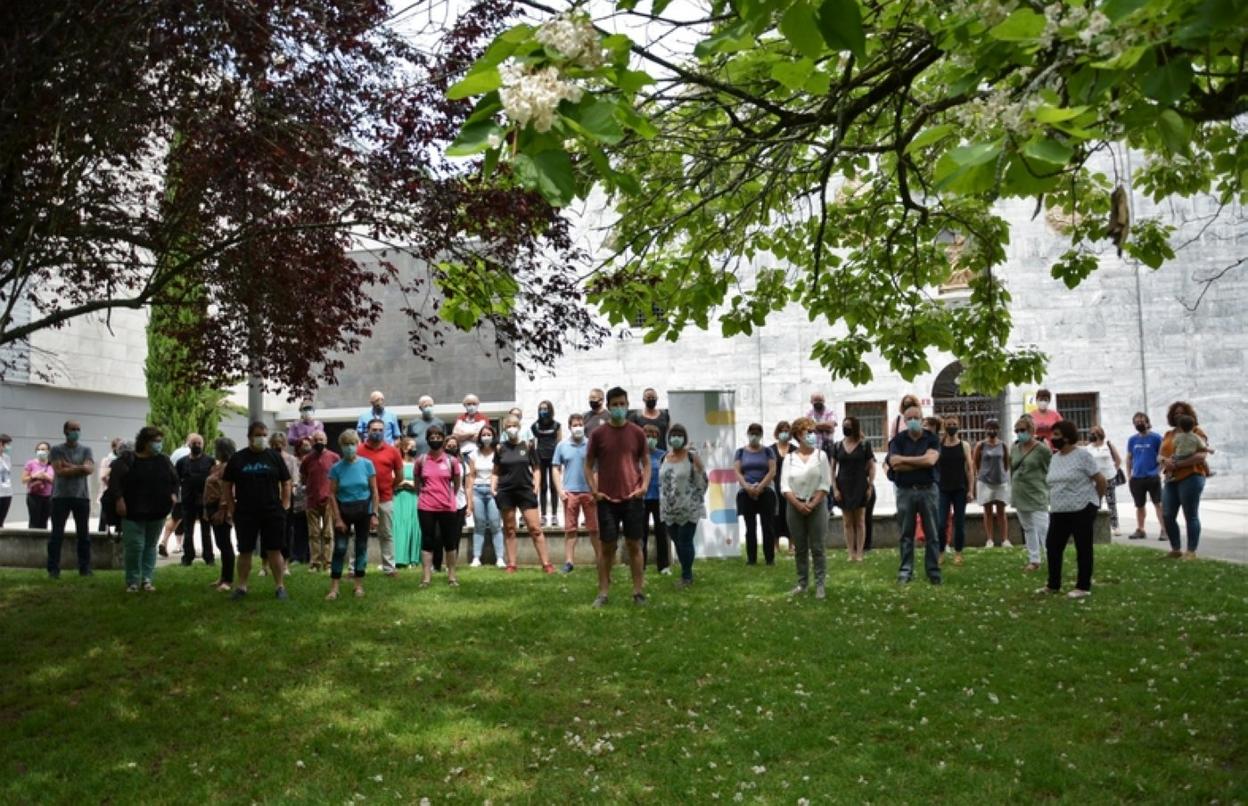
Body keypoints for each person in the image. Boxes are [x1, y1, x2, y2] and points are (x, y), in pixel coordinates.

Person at [585, 386, 650, 607]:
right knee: (607, 547)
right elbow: (588, 465)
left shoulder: (637, 433)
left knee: (634, 545)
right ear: (608, 406)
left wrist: (644, 487)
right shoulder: (598, 434)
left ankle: (638, 592)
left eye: (622, 404)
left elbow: (646, 463)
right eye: (615, 405)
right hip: (606, 500)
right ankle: (603, 593)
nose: (619, 408)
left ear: (628, 405)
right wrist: (594, 490)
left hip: (633, 498)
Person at [222, 421, 292, 601]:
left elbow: (286, 482)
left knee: (274, 549)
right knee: (245, 550)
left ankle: (280, 586)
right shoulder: (238, 458)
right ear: (249, 437)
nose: (261, 438)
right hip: (245, 512)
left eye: (264, 435)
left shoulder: (274, 457)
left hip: (272, 511)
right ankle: (241, 586)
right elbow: (227, 484)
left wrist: (285, 505)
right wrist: (231, 507)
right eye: (258, 435)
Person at [1036, 420, 1106, 599]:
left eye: (1056, 435)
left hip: (1081, 508)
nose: (1052, 438)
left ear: (1067, 437)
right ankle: (1053, 584)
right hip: (1059, 510)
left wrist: (1095, 503)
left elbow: (1100, 480)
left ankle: (1083, 586)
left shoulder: (1083, 456)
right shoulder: (1055, 458)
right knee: (1053, 546)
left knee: (1083, 548)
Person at [109, 426, 178, 593]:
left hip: (157, 510)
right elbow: (115, 482)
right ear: (145, 442)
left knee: (150, 546)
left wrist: (173, 494)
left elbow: (174, 480)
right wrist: (119, 500)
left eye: (160, 441)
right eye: (155, 441)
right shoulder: (127, 460)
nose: (159, 444)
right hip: (132, 510)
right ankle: (132, 580)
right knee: (135, 546)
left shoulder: (164, 460)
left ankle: (147, 578)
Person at [885, 406, 942, 585]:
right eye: (909, 418)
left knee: (932, 534)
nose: (913, 421)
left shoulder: (932, 438)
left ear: (922, 419)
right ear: (904, 420)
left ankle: (933, 572)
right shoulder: (898, 440)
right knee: (906, 534)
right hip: (905, 491)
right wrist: (920, 461)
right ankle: (905, 572)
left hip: (928, 490)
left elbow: (931, 460)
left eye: (916, 417)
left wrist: (905, 460)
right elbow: (895, 464)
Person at [495, 415, 555, 574]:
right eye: (508, 426)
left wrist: (536, 486)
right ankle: (512, 564)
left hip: (526, 491)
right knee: (509, 529)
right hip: (506, 492)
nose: (511, 428)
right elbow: (496, 471)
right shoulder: (500, 448)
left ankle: (546, 563)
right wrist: (493, 488)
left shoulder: (528, 446)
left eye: (514, 425)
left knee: (535, 528)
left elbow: (536, 468)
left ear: (519, 427)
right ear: (504, 429)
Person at [781, 417, 832, 597]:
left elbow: (825, 483)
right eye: (808, 432)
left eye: (813, 432)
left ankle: (820, 584)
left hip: (816, 505)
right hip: (795, 506)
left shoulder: (821, 456)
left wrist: (812, 503)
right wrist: (798, 504)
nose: (812, 435)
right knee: (800, 548)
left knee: (818, 547)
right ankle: (802, 584)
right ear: (798, 435)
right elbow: (784, 486)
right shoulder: (789, 458)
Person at [326, 430, 379, 600]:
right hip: (343, 511)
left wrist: (374, 514)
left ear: (357, 445)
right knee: (340, 548)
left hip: (364, 511)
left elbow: (374, 491)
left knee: (361, 548)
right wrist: (337, 518)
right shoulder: (336, 468)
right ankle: (334, 588)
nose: (349, 448)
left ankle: (358, 585)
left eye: (352, 444)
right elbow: (331, 494)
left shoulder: (367, 464)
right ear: (341, 446)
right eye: (346, 444)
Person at [1159, 402, 1211, 560]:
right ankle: (1176, 549)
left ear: (1189, 415)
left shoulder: (1196, 431)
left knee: (1190, 514)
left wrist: (1177, 464)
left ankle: (1191, 551)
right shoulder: (1169, 434)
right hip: (1170, 479)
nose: (1178, 415)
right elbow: (1160, 455)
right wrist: (1165, 461)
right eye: (1175, 413)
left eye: (1181, 412)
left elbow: (1201, 455)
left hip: (1191, 476)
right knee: (1167, 514)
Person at [659, 423, 708, 588]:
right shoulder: (664, 457)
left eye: (679, 435)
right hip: (669, 509)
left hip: (688, 508)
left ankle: (687, 576)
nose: (676, 438)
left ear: (684, 438)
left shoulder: (692, 457)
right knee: (677, 541)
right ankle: (685, 572)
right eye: (673, 435)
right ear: (669, 438)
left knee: (685, 541)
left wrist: (696, 500)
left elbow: (702, 479)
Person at [415, 425, 462, 587]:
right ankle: (426, 578)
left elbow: (457, 483)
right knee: (427, 542)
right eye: (432, 437)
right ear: (427, 440)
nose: (435, 440)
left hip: (447, 507)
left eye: (438, 437)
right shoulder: (421, 460)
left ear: (443, 439)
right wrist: (423, 496)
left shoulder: (451, 461)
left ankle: (452, 577)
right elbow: (417, 483)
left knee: (450, 542)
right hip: (426, 507)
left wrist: (449, 497)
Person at [48, 419, 95, 578]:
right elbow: (60, 471)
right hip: (60, 497)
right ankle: (53, 569)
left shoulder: (86, 450)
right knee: (56, 534)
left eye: (78, 429)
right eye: (73, 429)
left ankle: (85, 568)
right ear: (65, 431)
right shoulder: (56, 450)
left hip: (81, 497)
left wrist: (70, 466)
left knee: (84, 535)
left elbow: (89, 469)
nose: (76, 432)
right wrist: (80, 468)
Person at [358, 417, 404, 576]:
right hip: (362, 499)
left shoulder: (392, 451)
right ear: (367, 431)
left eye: (380, 430)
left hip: (385, 498)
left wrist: (389, 487)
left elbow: (399, 475)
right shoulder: (359, 450)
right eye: (374, 430)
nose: (377, 432)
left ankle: (389, 568)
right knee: (360, 534)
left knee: (386, 534)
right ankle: (355, 568)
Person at [553, 413, 598, 574]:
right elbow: (555, 468)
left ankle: (601, 560)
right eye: (575, 425)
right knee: (570, 530)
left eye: (580, 424)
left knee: (594, 529)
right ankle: (569, 562)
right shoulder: (562, 446)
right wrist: (560, 490)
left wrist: (595, 490)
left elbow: (597, 469)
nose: (578, 428)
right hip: (570, 493)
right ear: (569, 427)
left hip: (589, 492)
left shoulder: (591, 444)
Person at [1010, 416, 1052, 573]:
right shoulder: (1015, 448)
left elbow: (1050, 468)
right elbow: (1011, 468)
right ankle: (1034, 559)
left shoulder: (1042, 449)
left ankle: (1052, 558)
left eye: (1022, 430)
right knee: (1027, 527)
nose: (1019, 433)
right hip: (1020, 493)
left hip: (1037, 492)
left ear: (1031, 430)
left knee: (1043, 528)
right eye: (1017, 431)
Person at [831, 416, 875, 563]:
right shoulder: (837, 446)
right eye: (844, 425)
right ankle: (851, 553)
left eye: (849, 425)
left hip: (860, 485)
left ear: (855, 427)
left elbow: (872, 466)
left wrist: (870, 485)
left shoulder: (864, 445)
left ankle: (860, 553)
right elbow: (832, 469)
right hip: (843, 486)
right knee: (847, 522)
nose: (846, 428)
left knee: (860, 520)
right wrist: (835, 488)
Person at [735, 422, 777, 566]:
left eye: (757, 434)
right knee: (750, 527)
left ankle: (769, 558)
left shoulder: (768, 451)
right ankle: (751, 558)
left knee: (768, 526)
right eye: (752, 433)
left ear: (761, 435)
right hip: (746, 492)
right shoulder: (740, 452)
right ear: (748, 434)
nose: (754, 436)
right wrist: (747, 487)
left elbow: (772, 471)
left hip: (766, 491)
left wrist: (761, 486)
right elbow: (737, 472)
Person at [936, 416, 975, 566]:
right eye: (949, 424)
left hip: (960, 489)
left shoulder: (964, 445)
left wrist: (970, 490)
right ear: (944, 427)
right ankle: (941, 551)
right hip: (943, 489)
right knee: (941, 523)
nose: (951, 426)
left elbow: (970, 469)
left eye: (954, 424)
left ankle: (958, 553)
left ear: (958, 426)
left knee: (959, 523)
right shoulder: (939, 445)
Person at [468, 425, 506, 568]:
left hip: (493, 491)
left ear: (494, 436)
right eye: (483, 435)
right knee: (479, 524)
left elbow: (501, 472)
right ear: (479, 437)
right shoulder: (474, 454)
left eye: (489, 434)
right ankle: (476, 557)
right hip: (477, 490)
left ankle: (500, 558)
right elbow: (471, 476)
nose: (486, 437)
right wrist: (470, 497)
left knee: (496, 524)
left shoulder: (499, 452)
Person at [202, 437, 237, 592]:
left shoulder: (228, 467)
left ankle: (228, 580)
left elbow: (227, 490)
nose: (214, 451)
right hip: (211, 507)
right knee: (220, 544)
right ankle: (223, 577)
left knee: (225, 543)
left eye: (216, 448)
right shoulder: (216, 467)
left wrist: (223, 509)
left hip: (220, 508)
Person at [301, 431, 339, 572]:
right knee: (314, 533)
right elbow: (304, 477)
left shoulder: (334, 457)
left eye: (321, 439)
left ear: (326, 441)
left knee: (328, 533)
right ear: (312, 442)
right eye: (316, 440)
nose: (319, 442)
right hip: (312, 500)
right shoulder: (307, 459)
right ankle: (315, 563)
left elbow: (339, 477)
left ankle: (328, 563)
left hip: (329, 500)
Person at [176, 433, 216, 567]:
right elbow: (176, 480)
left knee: (206, 531)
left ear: (203, 445)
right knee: (188, 531)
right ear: (189, 444)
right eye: (194, 443)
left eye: (199, 443)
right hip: (188, 502)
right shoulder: (182, 462)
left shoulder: (210, 461)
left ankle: (209, 558)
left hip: (205, 502)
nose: (197, 446)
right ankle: (187, 557)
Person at [1125, 411, 1165, 541]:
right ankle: (1140, 529)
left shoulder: (1157, 438)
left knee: (1158, 503)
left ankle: (1164, 530)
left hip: (1152, 477)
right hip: (1137, 478)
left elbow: (1163, 457)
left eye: (1141, 421)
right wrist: (1129, 475)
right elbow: (1129, 458)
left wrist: (1158, 471)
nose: (1139, 424)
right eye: (1136, 422)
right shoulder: (1132, 440)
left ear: (1147, 423)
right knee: (1139, 505)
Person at [974, 418, 1012, 548]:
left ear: (998, 429)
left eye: (994, 428)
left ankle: (1005, 539)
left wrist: (1002, 474)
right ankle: (989, 540)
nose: (992, 430)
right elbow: (976, 462)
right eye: (989, 428)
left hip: (1000, 482)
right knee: (988, 510)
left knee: (1001, 511)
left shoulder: (1003, 445)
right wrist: (981, 474)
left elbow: (1006, 463)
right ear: (985, 430)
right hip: (985, 482)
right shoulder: (980, 445)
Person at [641, 424, 672, 574]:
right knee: (642, 533)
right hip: (642, 498)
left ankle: (664, 565)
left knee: (661, 532)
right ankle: (640, 565)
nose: (650, 439)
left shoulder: (663, 455)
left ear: (658, 438)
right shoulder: (637, 455)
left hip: (660, 499)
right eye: (647, 436)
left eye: (653, 436)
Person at [268, 432, 300, 575]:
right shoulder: (266, 458)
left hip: (286, 497)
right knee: (268, 531)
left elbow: (295, 479)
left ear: (285, 444)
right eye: (275, 444)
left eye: (280, 444)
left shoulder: (291, 459)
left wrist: (288, 491)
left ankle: (285, 564)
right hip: (269, 497)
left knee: (287, 530)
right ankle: (266, 564)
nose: (278, 446)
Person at [159, 435, 195, 558]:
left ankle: (165, 541)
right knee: (186, 519)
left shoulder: (176, 452)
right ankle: (186, 546)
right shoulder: (190, 454)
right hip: (188, 492)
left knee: (175, 518)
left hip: (177, 491)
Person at [1085, 426, 1122, 535]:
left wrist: (1113, 471)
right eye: (1091, 433)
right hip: (1095, 480)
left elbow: (1118, 460)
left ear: (1100, 434)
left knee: (1111, 502)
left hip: (1109, 478)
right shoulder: (1088, 448)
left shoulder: (1108, 445)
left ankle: (1115, 526)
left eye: (1094, 433)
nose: (1092, 435)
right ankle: (1096, 527)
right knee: (1096, 503)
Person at [530, 401, 562, 526]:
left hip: (553, 458)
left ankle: (554, 515)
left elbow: (559, 442)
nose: (543, 411)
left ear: (550, 410)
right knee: (542, 487)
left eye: (545, 408)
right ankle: (543, 515)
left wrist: (560, 461)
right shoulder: (535, 426)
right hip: (540, 458)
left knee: (553, 487)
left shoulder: (557, 425)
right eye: (541, 409)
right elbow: (532, 443)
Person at [393, 436, 422, 569]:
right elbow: (393, 483)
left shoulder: (418, 464)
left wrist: (409, 484)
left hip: (414, 498)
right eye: (412, 447)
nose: (414, 449)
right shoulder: (398, 464)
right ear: (404, 449)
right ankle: (399, 558)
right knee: (399, 526)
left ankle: (413, 559)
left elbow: (421, 484)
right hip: (399, 498)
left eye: (415, 447)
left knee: (414, 526)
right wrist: (403, 483)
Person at [443, 435, 471, 571]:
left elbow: (467, 486)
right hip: (442, 502)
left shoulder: (463, 464)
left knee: (455, 535)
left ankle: (451, 564)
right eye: (449, 446)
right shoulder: (439, 462)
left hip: (459, 502)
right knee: (440, 535)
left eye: (454, 446)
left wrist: (469, 505)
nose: (452, 448)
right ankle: (438, 563)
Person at [768, 421, 793, 553]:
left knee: (790, 515)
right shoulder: (770, 450)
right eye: (782, 430)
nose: (784, 433)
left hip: (791, 487)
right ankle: (775, 545)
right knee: (775, 516)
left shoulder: (794, 449)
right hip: (775, 486)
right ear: (777, 433)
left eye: (787, 431)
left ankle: (791, 545)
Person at [289, 437, 312, 565]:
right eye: (304, 445)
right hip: (297, 498)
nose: (306, 447)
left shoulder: (314, 460)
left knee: (311, 528)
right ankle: (297, 556)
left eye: (308, 444)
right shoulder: (294, 461)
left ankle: (309, 556)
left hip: (311, 497)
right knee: (298, 527)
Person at [95, 437, 124, 533]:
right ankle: (101, 535)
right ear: (114, 447)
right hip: (107, 492)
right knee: (105, 517)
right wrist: (113, 486)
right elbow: (103, 476)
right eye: (119, 447)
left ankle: (118, 534)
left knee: (119, 519)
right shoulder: (107, 460)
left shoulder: (124, 460)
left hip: (119, 493)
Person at [22, 441, 54, 529]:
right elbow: (23, 480)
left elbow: (57, 482)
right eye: (38, 449)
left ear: (48, 451)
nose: (40, 451)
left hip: (48, 497)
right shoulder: (30, 463)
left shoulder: (52, 465)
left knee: (44, 522)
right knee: (34, 521)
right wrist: (34, 476)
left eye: (43, 449)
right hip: (34, 496)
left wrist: (47, 477)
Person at [452, 394, 489, 459]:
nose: (472, 406)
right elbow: (455, 436)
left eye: (474, 404)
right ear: (464, 405)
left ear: (478, 404)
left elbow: (482, 437)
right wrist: (472, 433)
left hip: (479, 453)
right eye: (469, 404)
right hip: (462, 454)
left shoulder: (483, 419)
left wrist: (463, 435)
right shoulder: (459, 419)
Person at [0, 434, 12, 528]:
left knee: (1, 521)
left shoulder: (6, 457)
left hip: (7, 492)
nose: (8, 447)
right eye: (6, 444)